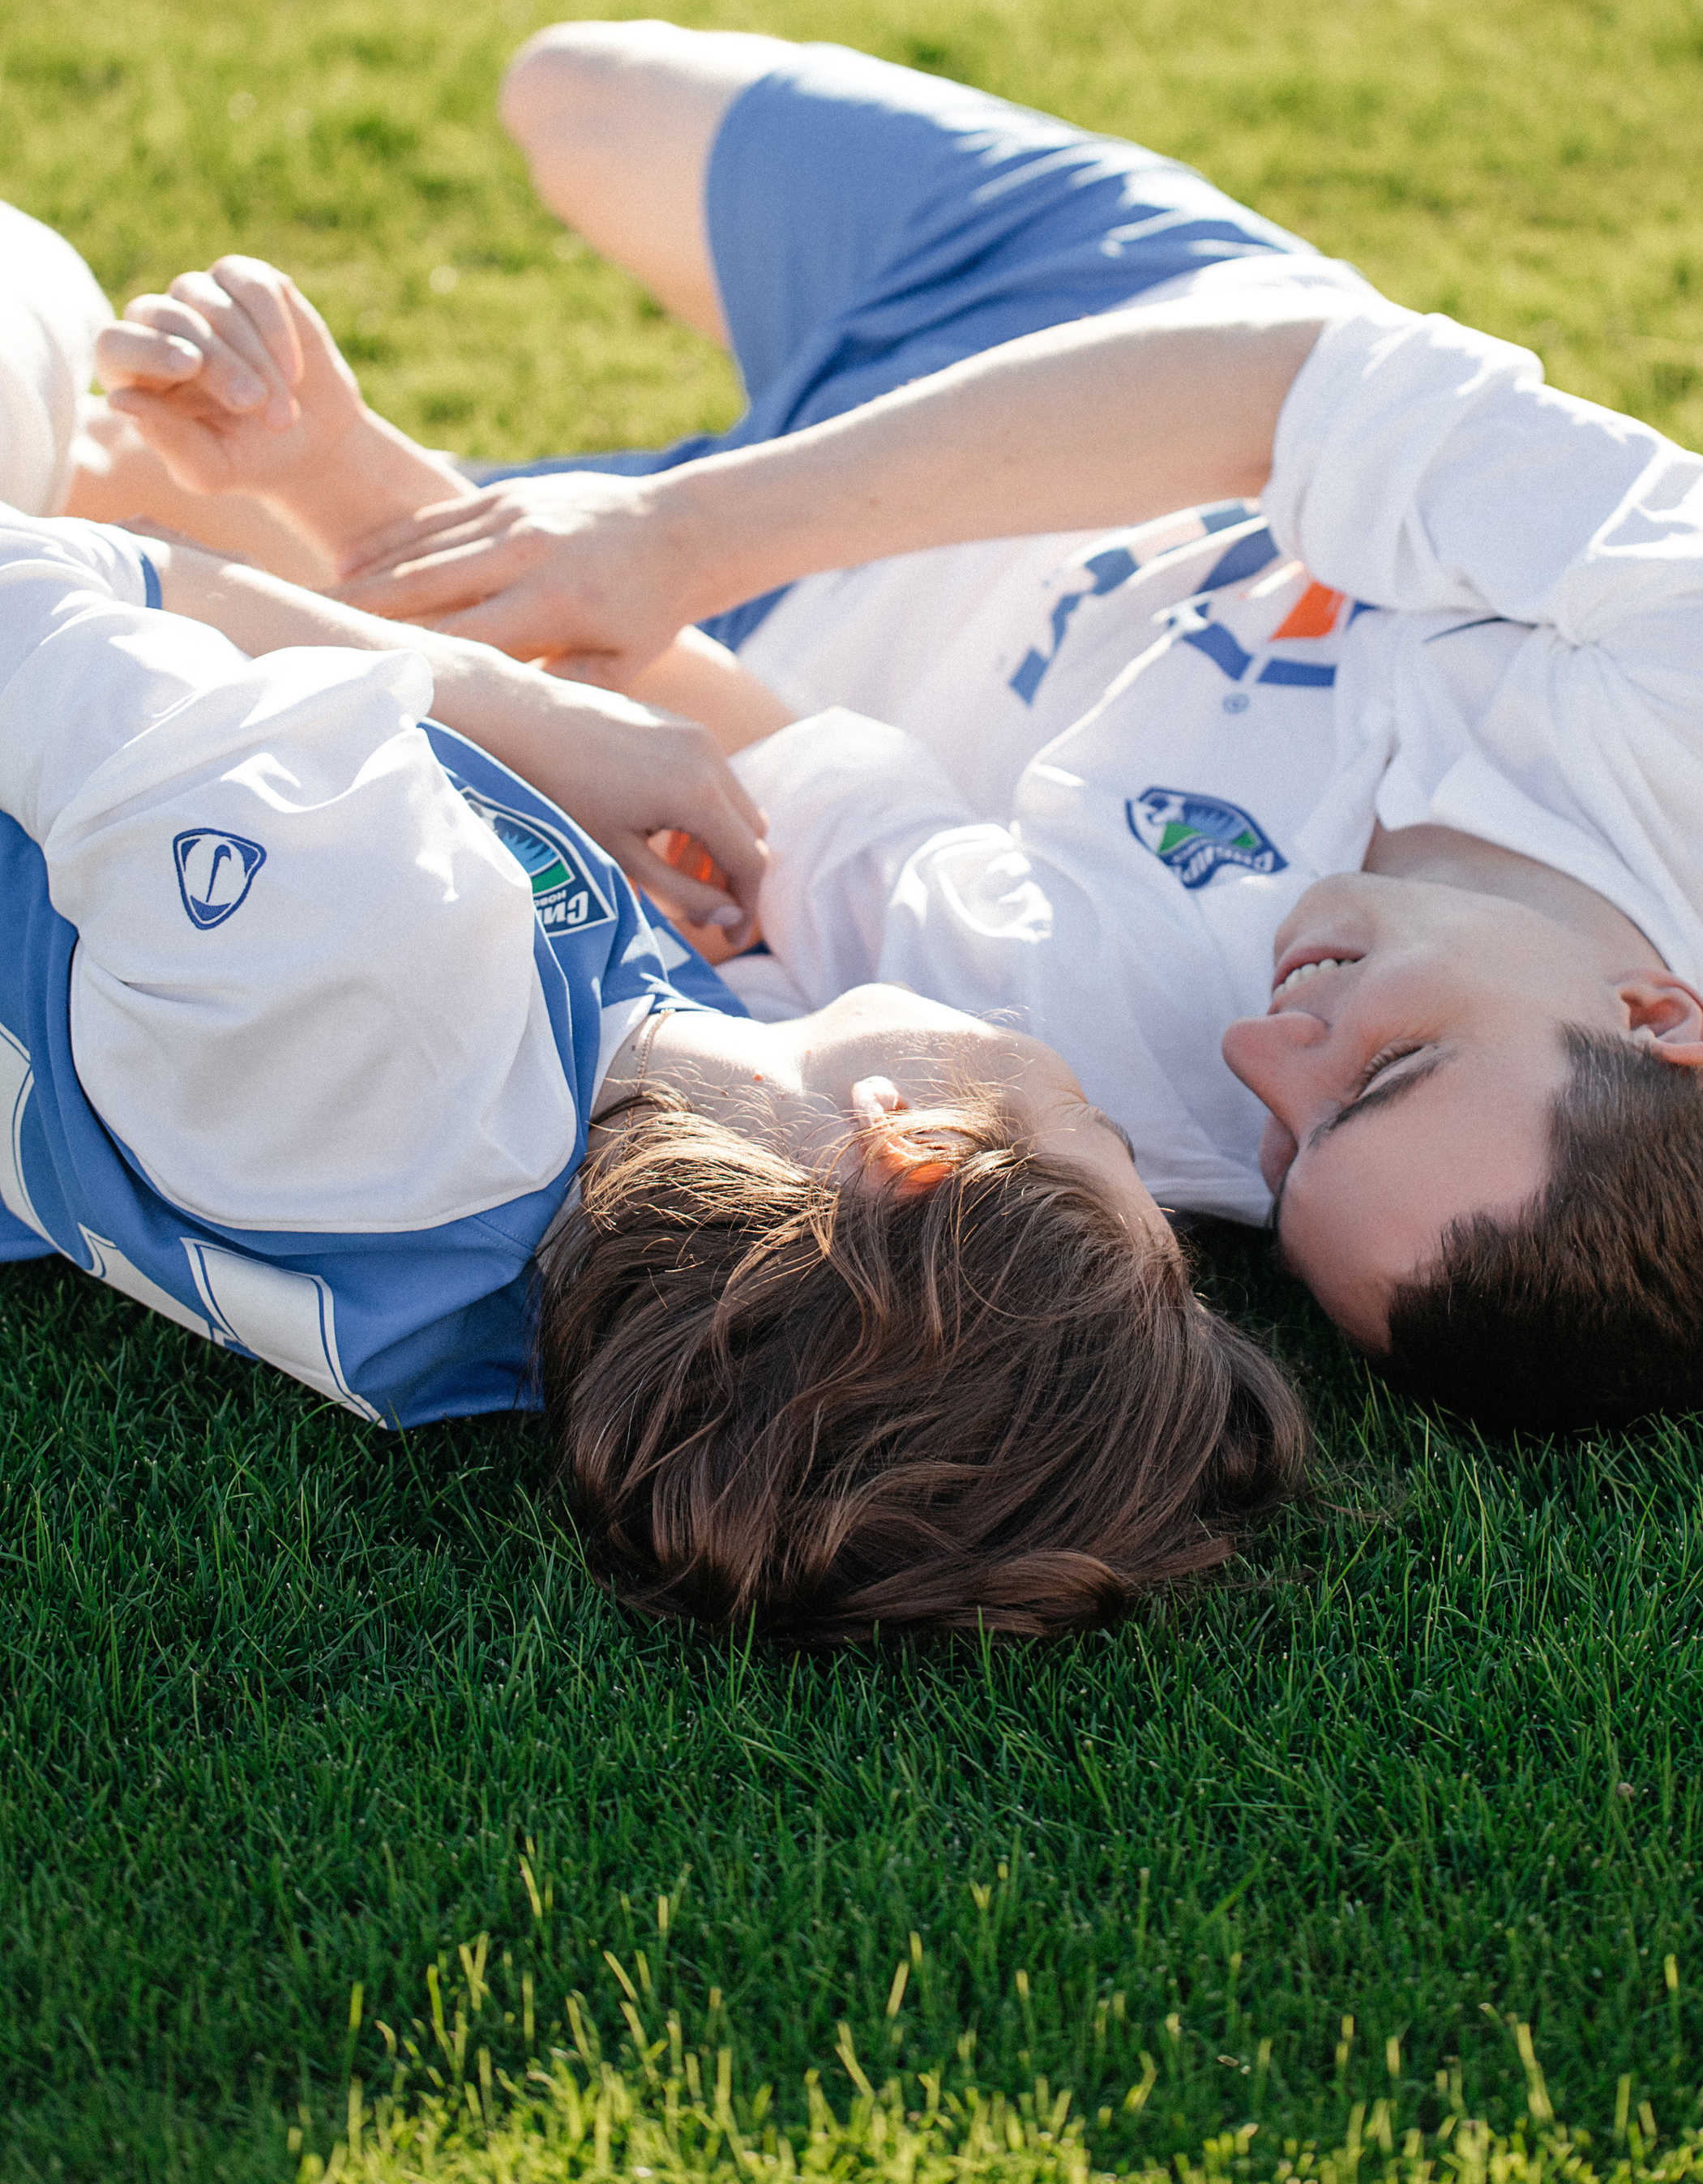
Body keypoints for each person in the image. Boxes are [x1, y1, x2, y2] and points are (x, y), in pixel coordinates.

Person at [87, 28, 1703, 1431]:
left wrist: (357, 488)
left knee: (110, 480)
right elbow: (1288, 387)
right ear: (1661, 1020)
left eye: (1290, 1161)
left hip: (786, 612)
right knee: (566, 93)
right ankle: (716, 408)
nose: (1265, 1050)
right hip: (1097, 347)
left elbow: (784, 781)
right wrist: (668, 532)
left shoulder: (1156, 1091)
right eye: (1376, 1073)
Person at [0, 480, 1304, 1643]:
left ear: (908, 1142)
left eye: (1092, 1124)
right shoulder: (501, 1316)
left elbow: (40, 591)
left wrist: (501, 697)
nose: (1078, 1083)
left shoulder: (388, 971)